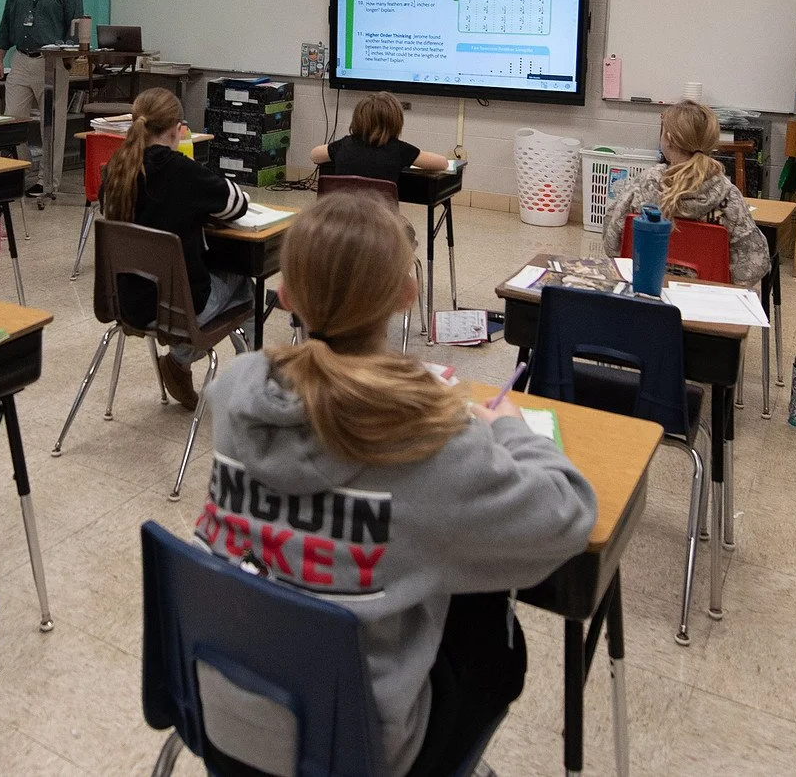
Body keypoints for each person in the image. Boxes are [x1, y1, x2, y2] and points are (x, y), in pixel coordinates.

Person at [195, 193, 595, 777]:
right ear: (407, 296)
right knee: (492, 625)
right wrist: (512, 434)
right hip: (355, 752)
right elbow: (568, 514)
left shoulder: (235, 389)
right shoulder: (430, 435)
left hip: (224, 716)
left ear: (285, 294)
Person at [100, 88, 247, 409]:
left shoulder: (115, 169)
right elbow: (238, 204)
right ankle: (199, 366)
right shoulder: (183, 171)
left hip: (129, 303)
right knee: (246, 283)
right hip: (180, 310)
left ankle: (183, 364)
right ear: (178, 129)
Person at [598, 100, 770, 288]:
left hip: (647, 294)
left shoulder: (644, 184)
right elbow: (754, 265)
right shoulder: (728, 195)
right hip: (707, 303)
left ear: (669, 137)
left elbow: (612, 243)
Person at [0, 0, 85, 192]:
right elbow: (5, 25)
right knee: (12, 122)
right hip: (20, 60)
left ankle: (47, 183)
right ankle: (20, 173)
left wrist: (67, 61)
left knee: (52, 126)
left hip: (51, 62)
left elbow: (76, 32)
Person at [310, 92, 449, 190]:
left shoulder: (343, 145)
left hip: (343, 223)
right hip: (381, 226)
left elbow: (315, 155)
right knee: (407, 228)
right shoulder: (401, 150)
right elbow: (442, 163)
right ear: (396, 122)